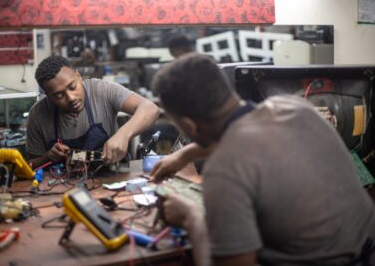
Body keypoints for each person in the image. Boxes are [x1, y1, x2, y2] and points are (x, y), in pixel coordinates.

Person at [150, 53, 375, 266]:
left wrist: (192, 218)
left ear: (189, 125)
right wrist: (185, 154)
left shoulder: (224, 168)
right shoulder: (297, 109)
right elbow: (249, 135)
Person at [26, 56, 159, 168]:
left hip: (111, 176)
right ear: (48, 96)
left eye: (73, 87)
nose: (71, 98)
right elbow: (30, 165)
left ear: (78, 76)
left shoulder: (102, 90)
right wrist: (48, 157)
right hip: (62, 185)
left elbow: (150, 108)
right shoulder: (38, 114)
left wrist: (123, 135)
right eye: (59, 95)